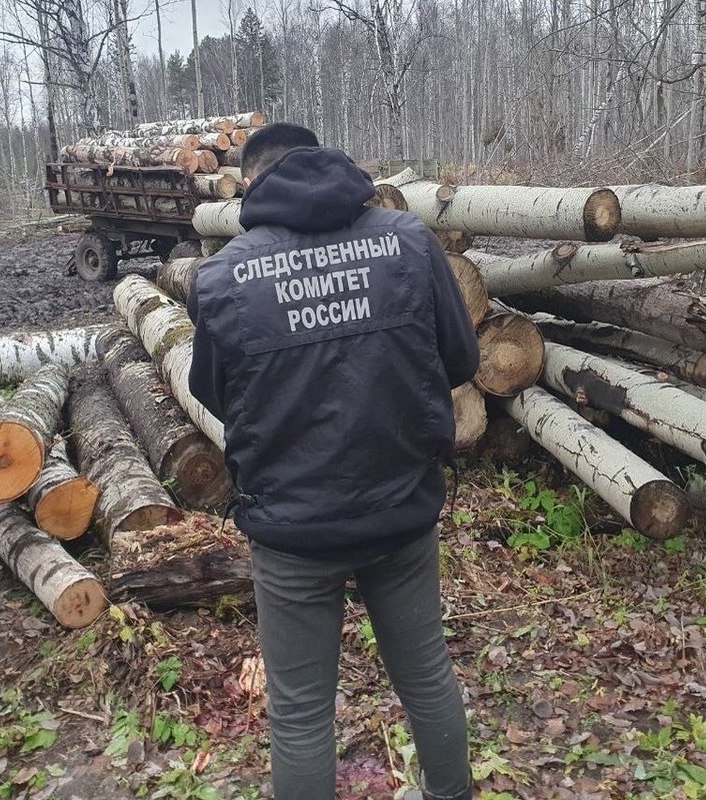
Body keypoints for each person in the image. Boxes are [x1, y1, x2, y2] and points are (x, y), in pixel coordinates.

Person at [187, 122, 478, 800]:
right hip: (400, 510)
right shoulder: (408, 243)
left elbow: (212, 392)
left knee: (300, 713)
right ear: (326, 164)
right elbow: (461, 359)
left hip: (292, 530)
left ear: (251, 183)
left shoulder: (225, 276)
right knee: (427, 675)